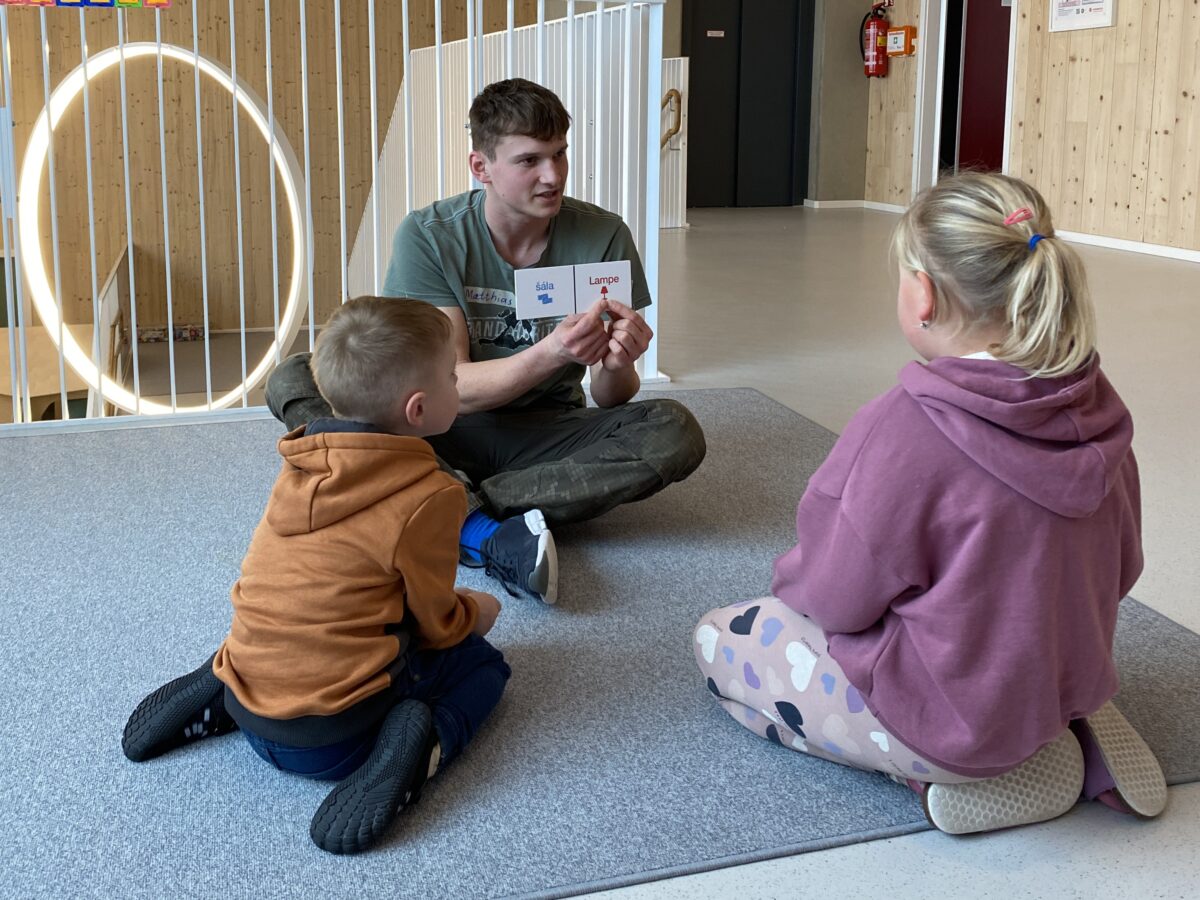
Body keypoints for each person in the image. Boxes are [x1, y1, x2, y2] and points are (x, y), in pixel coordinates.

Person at [694, 173, 1168, 835]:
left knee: (720, 637)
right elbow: (1125, 566)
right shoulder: (1096, 405)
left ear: (923, 294)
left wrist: (791, 590)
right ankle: (1063, 711)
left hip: (954, 719)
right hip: (1063, 664)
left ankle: (925, 766)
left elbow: (833, 598)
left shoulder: (907, 426)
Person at [266, 78, 706, 606]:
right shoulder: (429, 235)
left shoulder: (604, 235)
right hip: (438, 424)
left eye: (559, 154)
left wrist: (617, 363)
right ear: (481, 167)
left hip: (545, 434)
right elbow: (455, 385)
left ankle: (440, 502)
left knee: (673, 428)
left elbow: (610, 397)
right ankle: (477, 522)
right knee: (300, 374)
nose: (553, 175)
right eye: (530, 161)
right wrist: (552, 351)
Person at [122, 297, 511, 855]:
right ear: (418, 409)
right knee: (483, 666)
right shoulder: (431, 495)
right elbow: (436, 622)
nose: (458, 384)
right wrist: (478, 611)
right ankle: (423, 742)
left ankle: (227, 680)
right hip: (336, 742)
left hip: (248, 702)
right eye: (453, 376)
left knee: (304, 605)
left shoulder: (299, 461)